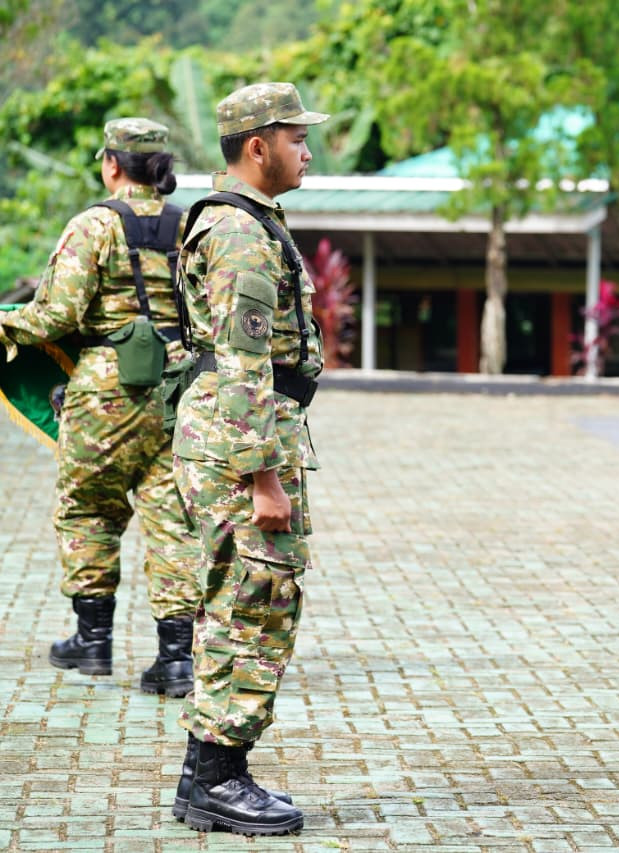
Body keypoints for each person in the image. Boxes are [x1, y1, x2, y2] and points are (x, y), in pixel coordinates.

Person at [170, 82, 327, 836]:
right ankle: (217, 778)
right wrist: (264, 474)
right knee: (252, 598)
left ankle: (210, 773)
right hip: (243, 438)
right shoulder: (237, 233)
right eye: (296, 137)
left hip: (244, 429)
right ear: (257, 145)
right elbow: (241, 360)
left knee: (246, 597)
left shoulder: (251, 222)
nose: (308, 150)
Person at [0, 118, 200, 697]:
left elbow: (54, 316)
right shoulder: (190, 225)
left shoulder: (92, 226)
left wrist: (5, 322)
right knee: (172, 520)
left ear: (111, 164)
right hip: (176, 390)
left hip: (105, 392)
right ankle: (176, 660)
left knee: (88, 509)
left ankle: (92, 642)